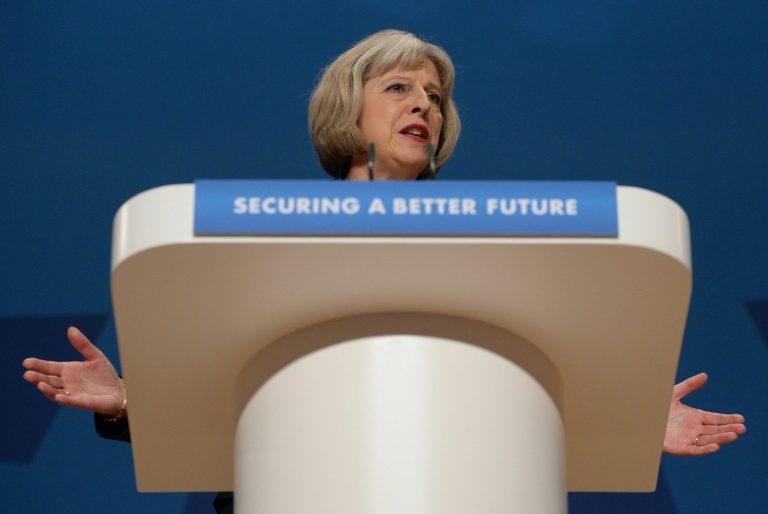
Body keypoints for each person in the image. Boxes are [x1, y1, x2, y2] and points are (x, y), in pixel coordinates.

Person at [22, 29, 746, 513]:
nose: (424, 104)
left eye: (435, 97)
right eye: (400, 88)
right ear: (348, 108)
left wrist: (623, 415)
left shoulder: (503, 248)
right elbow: (229, 389)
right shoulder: (255, 242)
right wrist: (129, 402)